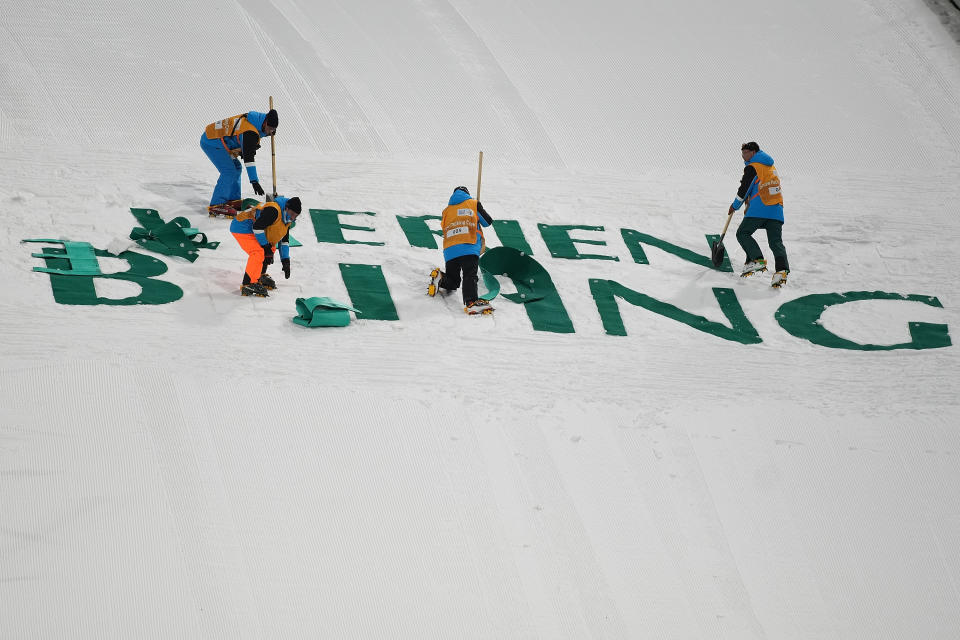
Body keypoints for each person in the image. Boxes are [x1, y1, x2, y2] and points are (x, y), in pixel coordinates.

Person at [729, 141, 790, 287]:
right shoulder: (770, 166)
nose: (743, 156)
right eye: (742, 153)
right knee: (775, 242)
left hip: (760, 209)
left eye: (746, 152)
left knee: (742, 233)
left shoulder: (753, 167)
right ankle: (781, 271)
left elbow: (744, 189)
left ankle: (757, 260)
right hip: (776, 209)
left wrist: (734, 206)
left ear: (754, 152)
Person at [200, 109, 278, 216]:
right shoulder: (249, 133)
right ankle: (217, 205)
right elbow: (249, 159)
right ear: (265, 123)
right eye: (270, 129)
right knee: (229, 171)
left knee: (237, 168)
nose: (271, 132)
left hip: (220, 141)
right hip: (211, 142)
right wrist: (254, 181)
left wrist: (266, 132)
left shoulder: (257, 120)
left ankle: (232, 200)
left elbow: (252, 133)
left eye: (273, 130)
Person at [428, 186, 493, 312]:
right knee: (469, 275)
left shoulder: (446, 210)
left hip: (450, 250)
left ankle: (441, 278)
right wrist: (479, 207)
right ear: (467, 194)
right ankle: (471, 302)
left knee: (453, 282)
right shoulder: (473, 204)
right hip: (469, 245)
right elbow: (488, 221)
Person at [230, 196, 301, 297]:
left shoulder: (288, 219)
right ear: (286, 208)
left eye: (296, 216)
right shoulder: (274, 211)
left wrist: (285, 261)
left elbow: (284, 241)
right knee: (258, 252)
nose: (293, 218)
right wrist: (265, 248)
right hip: (242, 226)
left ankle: (259, 275)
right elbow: (257, 228)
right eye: (292, 214)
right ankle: (248, 284)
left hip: (255, 227)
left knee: (271, 247)